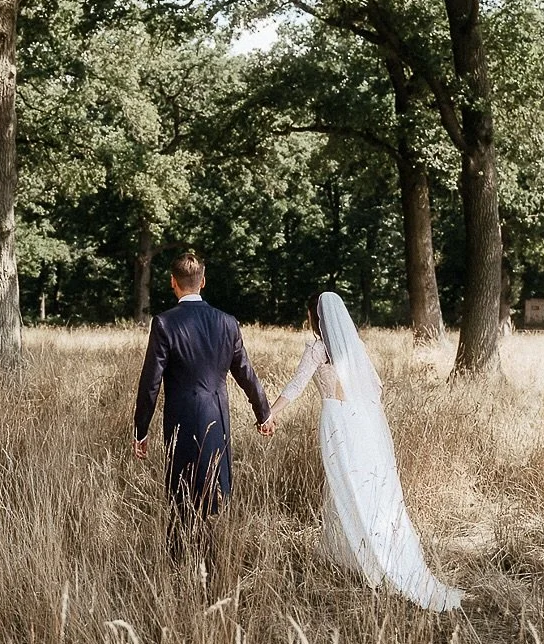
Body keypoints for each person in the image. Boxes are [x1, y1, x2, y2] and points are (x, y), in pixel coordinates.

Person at [267, 291, 464, 612]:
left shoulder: (317, 349)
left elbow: (296, 385)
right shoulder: (352, 347)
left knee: (342, 486)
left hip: (335, 420)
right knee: (365, 488)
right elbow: (376, 387)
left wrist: (270, 413)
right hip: (361, 423)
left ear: (314, 317)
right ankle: (355, 553)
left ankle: (365, 555)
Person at [133, 250, 273, 560]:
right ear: (203, 281)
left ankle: (180, 560)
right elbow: (246, 373)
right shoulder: (227, 322)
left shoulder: (164, 323)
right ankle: (210, 558)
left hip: (181, 421)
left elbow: (150, 383)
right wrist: (263, 413)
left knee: (181, 494)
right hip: (217, 418)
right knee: (213, 493)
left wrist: (141, 430)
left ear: (173, 282)